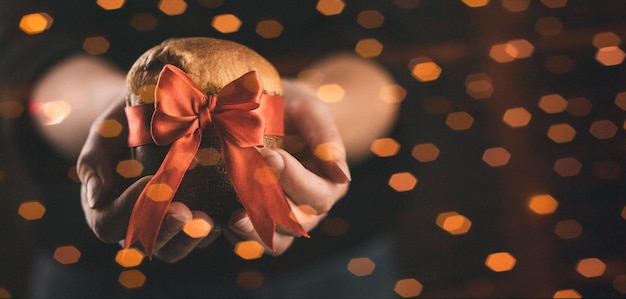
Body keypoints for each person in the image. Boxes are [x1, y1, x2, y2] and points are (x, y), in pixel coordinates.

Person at [0, 1, 400, 297]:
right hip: (100, 273)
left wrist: (322, 114)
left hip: (332, 268)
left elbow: (388, 37)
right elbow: (27, 44)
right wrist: (123, 107)